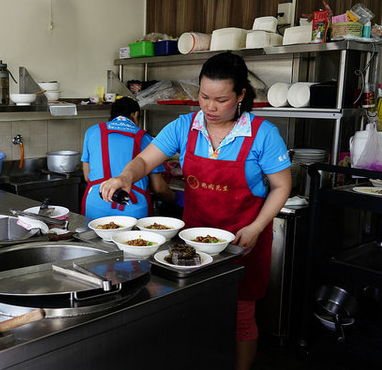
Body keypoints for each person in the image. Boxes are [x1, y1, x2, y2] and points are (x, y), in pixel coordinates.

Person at [99, 52, 292, 370]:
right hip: (192, 242)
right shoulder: (184, 127)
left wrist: (257, 227)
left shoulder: (263, 133)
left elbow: (282, 186)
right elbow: (146, 160)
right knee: (196, 309)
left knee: (241, 316)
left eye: (221, 99)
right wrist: (124, 176)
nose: (209, 107)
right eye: (203, 96)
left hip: (242, 242)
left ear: (241, 95)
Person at [81, 96, 176, 220]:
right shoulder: (145, 138)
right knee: (134, 240)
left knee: (91, 239)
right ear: (135, 115)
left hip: (96, 203)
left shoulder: (92, 131)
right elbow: (158, 188)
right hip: (132, 207)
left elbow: (88, 177)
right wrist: (176, 198)